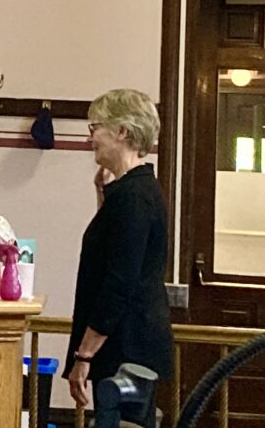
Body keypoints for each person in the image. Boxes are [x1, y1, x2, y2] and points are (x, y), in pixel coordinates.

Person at [64, 88, 173, 411]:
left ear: (122, 131)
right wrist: (102, 191)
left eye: (95, 127)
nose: (91, 138)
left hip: (126, 350)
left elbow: (118, 283)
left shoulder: (133, 197)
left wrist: (84, 355)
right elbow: (112, 246)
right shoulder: (130, 191)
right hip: (126, 346)